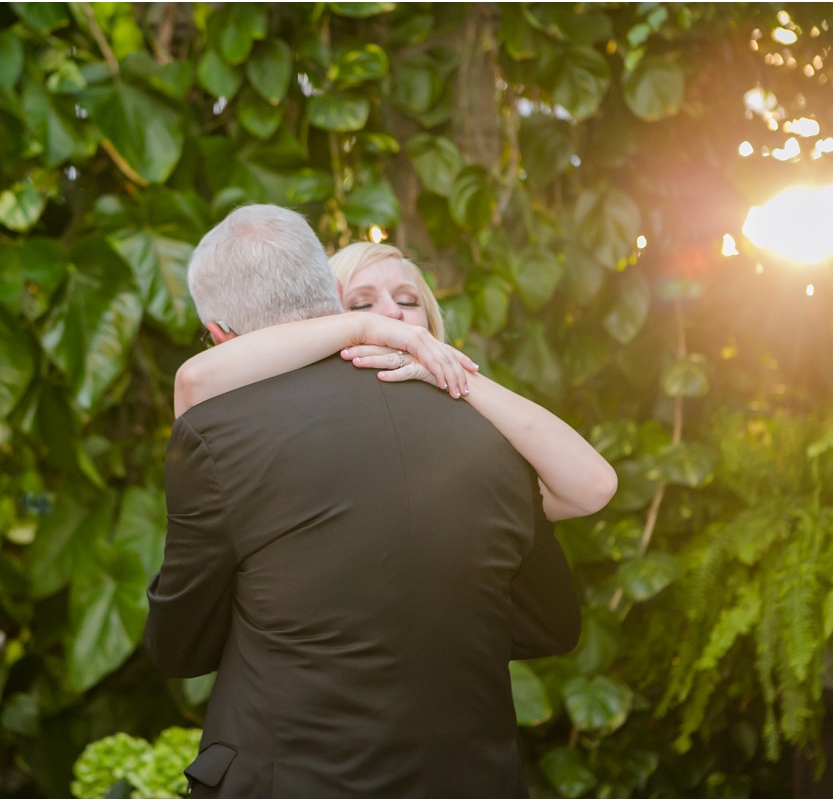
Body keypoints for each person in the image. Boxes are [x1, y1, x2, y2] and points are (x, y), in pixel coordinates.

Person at [144, 205, 585, 798]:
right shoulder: (492, 435)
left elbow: (181, 644)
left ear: (221, 336)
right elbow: (550, 623)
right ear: (331, 292)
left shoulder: (217, 434)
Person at [174, 240, 618, 521]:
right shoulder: (289, 431)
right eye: (362, 305)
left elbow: (591, 488)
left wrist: (456, 375)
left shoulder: (469, 434)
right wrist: (358, 332)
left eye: (408, 300)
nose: (392, 314)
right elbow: (195, 379)